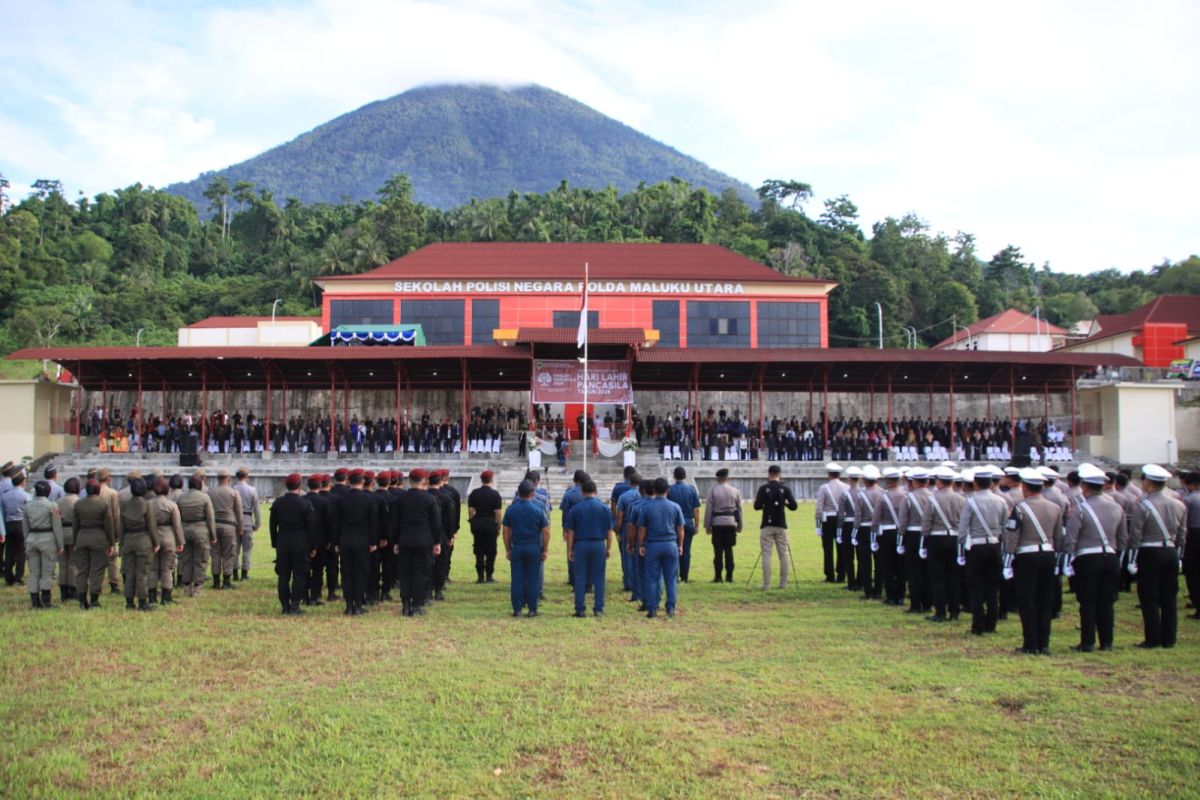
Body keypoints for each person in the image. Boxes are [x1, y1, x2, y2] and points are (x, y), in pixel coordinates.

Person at [1063, 463, 1126, 652]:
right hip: (1111, 556)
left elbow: (1071, 538)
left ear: (1085, 487)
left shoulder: (1081, 509)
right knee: (1107, 601)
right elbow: (1123, 538)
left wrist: (1068, 560)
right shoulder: (1116, 507)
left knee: (1088, 601)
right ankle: (1106, 641)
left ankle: (1088, 641)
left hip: (1088, 558)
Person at [1004, 468, 1065, 655]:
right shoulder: (1055, 508)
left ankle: (1030, 643)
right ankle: (1044, 643)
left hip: (1026, 556)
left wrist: (1008, 558)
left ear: (1025, 487)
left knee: (1027, 600)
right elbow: (1058, 537)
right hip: (1048, 554)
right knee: (1045, 600)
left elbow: (1013, 536)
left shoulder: (1020, 508)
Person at [1128, 464, 1187, 649]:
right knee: (1169, 597)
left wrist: (1131, 559)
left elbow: (1135, 535)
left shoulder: (1144, 506)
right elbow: (1182, 534)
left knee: (1149, 597)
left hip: (1150, 552)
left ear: (1148, 483)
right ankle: (1169, 638)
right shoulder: (1179, 504)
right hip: (1170, 551)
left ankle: (1153, 638)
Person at [958, 469, 1009, 636]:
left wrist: (962, 548)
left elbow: (963, 528)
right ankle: (991, 624)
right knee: (992, 588)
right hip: (994, 545)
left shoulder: (971, 502)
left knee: (975, 587)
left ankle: (978, 624)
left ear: (975, 483)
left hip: (976, 546)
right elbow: (1005, 527)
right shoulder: (1001, 501)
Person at [392, 469, 443, 617]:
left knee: (405, 572)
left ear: (410, 481)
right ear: (424, 481)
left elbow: (394, 523)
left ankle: (406, 604)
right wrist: (437, 542)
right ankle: (417, 605)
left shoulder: (401, 499)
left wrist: (395, 541)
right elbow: (436, 524)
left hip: (405, 539)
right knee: (421, 572)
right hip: (424, 540)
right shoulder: (429, 499)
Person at [270, 473, 318, 616]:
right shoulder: (304, 503)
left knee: (283, 574)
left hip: (283, 540)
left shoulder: (278, 502)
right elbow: (312, 526)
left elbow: (273, 525)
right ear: (300, 485)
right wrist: (313, 546)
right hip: (300, 541)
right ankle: (295, 605)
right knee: (300, 573)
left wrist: (275, 542)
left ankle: (285, 606)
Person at [921, 466, 965, 623]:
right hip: (955, 539)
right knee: (954, 578)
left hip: (937, 539)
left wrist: (924, 542)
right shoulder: (961, 499)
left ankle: (940, 611)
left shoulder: (933, 499)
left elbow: (926, 523)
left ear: (939, 483)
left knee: (938, 578)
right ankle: (954, 611)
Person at [564, 479, 613, 617]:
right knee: (599, 577)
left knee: (580, 577)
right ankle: (598, 608)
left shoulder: (576, 509)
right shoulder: (604, 508)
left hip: (581, 545)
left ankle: (580, 609)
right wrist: (608, 548)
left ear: (582, 492)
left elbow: (570, 532)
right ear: (596, 492)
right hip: (598, 544)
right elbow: (609, 531)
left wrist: (570, 550)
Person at [637, 477, 685, 618]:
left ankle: (652, 608)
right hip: (670, 544)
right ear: (667, 490)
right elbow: (680, 528)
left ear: (654, 490)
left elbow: (642, 528)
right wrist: (680, 545)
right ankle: (670, 608)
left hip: (653, 545)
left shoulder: (646, 507)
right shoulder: (675, 507)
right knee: (670, 578)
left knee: (652, 578)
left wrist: (641, 544)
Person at [503, 480, 550, 617]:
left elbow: (506, 531)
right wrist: (545, 549)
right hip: (533, 547)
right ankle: (532, 609)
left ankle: (517, 609)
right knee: (533, 579)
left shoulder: (511, 510)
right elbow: (546, 532)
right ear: (532, 493)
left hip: (517, 547)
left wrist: (508, 548)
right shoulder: (539, 510)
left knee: (517, 578)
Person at [335, 469, 377, 616]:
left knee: (346, 572)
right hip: (362, 540)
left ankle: (348, 604)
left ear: (348, 481)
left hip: (345, 539)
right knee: (360, 572)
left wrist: (336, 542)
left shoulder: (341, 499)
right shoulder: (369, 499)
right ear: (363, 481)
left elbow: (336, 523)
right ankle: (358, 604)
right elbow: (373, 523)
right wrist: (373, 541)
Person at [73, 479, 116, 609]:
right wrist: (111, 542)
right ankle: (94, 600)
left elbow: (75, 525)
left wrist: (75, 541)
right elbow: (109, 526)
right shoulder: (103, 505)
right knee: (97, 570)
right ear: (98, 490)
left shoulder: (78, 504)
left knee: (82, 570)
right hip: (99, 538)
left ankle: (81, 600)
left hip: (82, 537)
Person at [22, 480, 64, 609]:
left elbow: (25, 527)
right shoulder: (52, 506)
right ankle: (46, 601)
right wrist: (60, 545)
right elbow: (57, 527)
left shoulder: (27, 506)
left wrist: (26, 541)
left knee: (34, 572)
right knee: (47, 572)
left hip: (31, 539)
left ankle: (35, 602)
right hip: (47, 539)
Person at [754, 465, 798, 590]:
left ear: (769, 474)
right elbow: (794, 506)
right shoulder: (785, 488)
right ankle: (783, 583)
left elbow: (757, 506)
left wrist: (765, 504)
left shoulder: (763, 488)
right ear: (780, 474)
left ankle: (767, 584)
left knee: (767, 554)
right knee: (783, 554)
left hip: (767, 524)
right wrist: (785, 503)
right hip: (781, 524)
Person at [118, 477, 158, 611]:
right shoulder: (146, 505)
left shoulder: (125, 504)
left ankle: (129, 602)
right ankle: (142, 602)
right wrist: (156, 542)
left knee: (129, 573)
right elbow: (151, 526)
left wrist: (122, 543)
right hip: (143, 540)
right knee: (142, 573)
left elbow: (121, 527)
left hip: (128, 540)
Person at [177, 475, 216, 598]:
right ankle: (197, 588)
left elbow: (177, 517)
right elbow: (210, 518)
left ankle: (187, 587)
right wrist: (213, 535)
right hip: (201, 531)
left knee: (186, 559)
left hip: (184, 530)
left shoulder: (181, 497)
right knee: (201, 559)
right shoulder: (205, 498)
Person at [148, 478, 184, 605]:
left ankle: (152, 597)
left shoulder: (148, 504)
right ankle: (166, 597)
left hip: (152, 538)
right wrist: (180, 541)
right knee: (167, 569)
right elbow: (177, 526)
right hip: (168, 537)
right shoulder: (172, 505)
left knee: (152, 568)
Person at [874, 467, 907, 605]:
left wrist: (874, 534)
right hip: (902, 532)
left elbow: (876, 518)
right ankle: (901, 595)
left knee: (887, 565)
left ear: (887, 481)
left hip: (886, 533)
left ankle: (890, 595)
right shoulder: (905, 495)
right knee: (901, 565)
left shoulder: (883, 496)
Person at [208, 469, 245, 590]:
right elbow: (239, 512)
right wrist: (240, 527)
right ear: (228, 478)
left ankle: (216, 581)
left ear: (218, 479)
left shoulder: (211, 492)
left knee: (215, 554)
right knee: (228, 554)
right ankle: (227, 581)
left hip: (214, 525)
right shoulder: (234, 493)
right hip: (229, 526)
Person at [704, 468, 742, 583]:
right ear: (727, 478)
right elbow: (739, 509)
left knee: (718, 551)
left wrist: (707, 525)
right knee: (729, 550)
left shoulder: (713, 491)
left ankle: (718, 576)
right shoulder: (734, 491)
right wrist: (740, 524)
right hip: (730, 523)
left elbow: (709, 509)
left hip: (717, 522)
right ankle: (729, 576)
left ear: (718, 478)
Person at [304, 475, 334, 606]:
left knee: (304, 569)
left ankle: (304, 595)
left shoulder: (303, 500)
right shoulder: (324, 501)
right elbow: (328, 523)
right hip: (321, 539)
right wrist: (329, 540)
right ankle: (315, 596)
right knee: (318, 570)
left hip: (304, 538)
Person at [667, 467, 702, 583]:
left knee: (674, 550)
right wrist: (697, 525)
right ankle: (684, 576)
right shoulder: (691, 490)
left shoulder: (669, 490)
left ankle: (674, 575)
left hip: (673, 523)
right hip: (687, 522)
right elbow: (696, 509)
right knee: (686, 550)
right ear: (685, 476)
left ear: (674, 476)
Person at [467, 470, 503, 583]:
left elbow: (471, 511)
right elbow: (498, 513)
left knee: (478, 550)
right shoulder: (495, 494)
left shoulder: (474, 493)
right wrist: (498, 526)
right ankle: (489, 575)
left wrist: (473, 522)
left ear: (481, 479)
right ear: (491, 479)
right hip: (490, 524)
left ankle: (480, 576)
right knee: (491, 550)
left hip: (478, 524)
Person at [814, 463, 846, 583]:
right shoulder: (846, 487)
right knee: (841, 548)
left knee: (828, 549)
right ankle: (842, 574)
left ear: (829, 474)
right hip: (842, 519)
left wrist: (818, 525)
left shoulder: (824, 488)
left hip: (828, 519)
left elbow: (819, 509)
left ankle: (830, 575)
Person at [3, 470, 32, 587]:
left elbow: (3, 512)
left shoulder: (5, 495)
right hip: (21, 523)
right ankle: (18, 577)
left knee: (9, 551)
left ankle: (8, 576)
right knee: (21, 552)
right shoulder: (26, 495)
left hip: (9, 524)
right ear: (22, 482)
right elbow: (29, 512)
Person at [56, 477, 81, 604]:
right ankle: (73, 590)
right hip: (73, 532)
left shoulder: (58, 501)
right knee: (73, 563)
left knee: (63, 564)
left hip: (60, 533)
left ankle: (63, 591)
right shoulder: (78, 501)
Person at [233, 468, 260, 581]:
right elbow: (256, 509)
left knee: (235, 549)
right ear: (247, 476)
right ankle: (244, 573)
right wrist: (257, 523)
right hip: (248, 520)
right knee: (247, 549)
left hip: (234, 521)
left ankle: (234, 572)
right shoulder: (252, 490)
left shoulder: (233, 489)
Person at [560, 470, 586, 588]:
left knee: (571, 552)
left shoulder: (569, 494)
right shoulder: (589, 492)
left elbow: (565, 513)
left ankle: (573, 578)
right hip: (586, 528)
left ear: (575, 480)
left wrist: (565, 529)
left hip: (572, 528)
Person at [1182, 471, 1200, 620]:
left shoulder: (1188, 500)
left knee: (1192, 571)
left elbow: (1183, 523)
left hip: (1194, 536)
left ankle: (1197, 603)